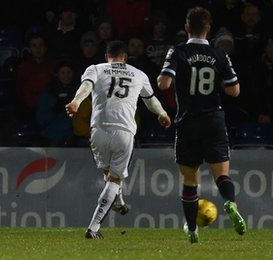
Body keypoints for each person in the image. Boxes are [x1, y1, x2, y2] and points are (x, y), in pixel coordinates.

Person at [157, 7, 246, 244]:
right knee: (222, 175)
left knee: (190, 180)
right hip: (214, 119)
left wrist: (165, 77)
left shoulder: (178, 51)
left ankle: (193, 230)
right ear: (209, 29)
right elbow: (235, 90)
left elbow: (164, 84)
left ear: (186, 27)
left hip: (188, 120)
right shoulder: (219, 54)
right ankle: (230, 202)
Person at [65, 40, 171, 239]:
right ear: (125, 58)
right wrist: (162, 113)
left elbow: (86, 86)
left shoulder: (96, 68)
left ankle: (119, 202)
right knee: (115, 178)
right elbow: (150, 99)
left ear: (107, 56)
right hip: (124, 131)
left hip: (98, 130)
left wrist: (76, 102)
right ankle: (94, 227)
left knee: (109, 174)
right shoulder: (138, 74)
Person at [36, 62, 76, 146]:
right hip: (51, 137)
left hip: (73, 137)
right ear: (57, 74)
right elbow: (41, 119)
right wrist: (54, 110)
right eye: (63, 73)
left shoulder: (79, 93)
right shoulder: (48, 93)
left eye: (68, 72)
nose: (66, 76)